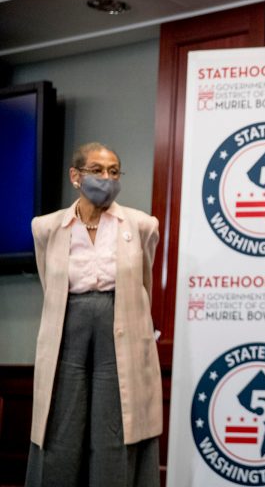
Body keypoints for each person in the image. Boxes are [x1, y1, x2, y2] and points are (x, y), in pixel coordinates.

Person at [25, 142, 162, 487]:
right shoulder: (47, 227)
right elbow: (49, 281)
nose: (107, 178)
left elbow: (143, 280)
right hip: (67, 331)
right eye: (97, 170)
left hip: (121, 331)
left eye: (114, 172)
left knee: (116, 427)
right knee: (60, 424)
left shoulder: (142, 225)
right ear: (76, 176)